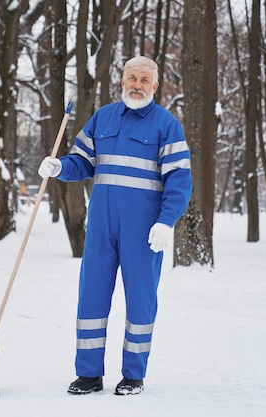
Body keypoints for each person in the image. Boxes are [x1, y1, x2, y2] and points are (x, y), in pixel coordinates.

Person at [38, 56, 193, 396]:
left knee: (140, 301)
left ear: (155, 87)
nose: (137, 84)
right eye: (132, 78)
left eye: (144, 80)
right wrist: (59, 167)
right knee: (91, 298)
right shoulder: (103, 118)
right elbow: (82, 162)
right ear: (122, 81)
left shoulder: (167, 126)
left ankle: (133, 375)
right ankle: (89, 375)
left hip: (143, 232)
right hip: (101, 228)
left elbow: (180, 180)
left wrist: (166, 222)